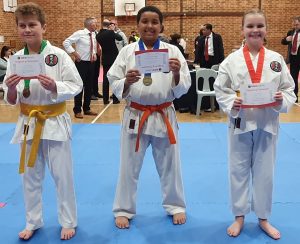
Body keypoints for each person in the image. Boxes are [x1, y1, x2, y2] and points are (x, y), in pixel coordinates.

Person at [2, 2, 82, 240]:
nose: (27, 30)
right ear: (17, 28)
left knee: (62, 176)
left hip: (54, 120)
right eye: (23, 26)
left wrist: (55, 85)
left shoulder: (58, 56)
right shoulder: (15, 59)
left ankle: (68, 221)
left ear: (43, 27)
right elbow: (11, 98)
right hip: (28, 122)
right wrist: (12, 88)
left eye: (32, 25)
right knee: (30, 177)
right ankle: (32, 221)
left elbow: (77, 85)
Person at [214, 9, 296, 240]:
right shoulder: (231, 60)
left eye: (259, 26)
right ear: (242, 30)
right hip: (240, 123)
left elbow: (289, 89)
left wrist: (283, 99)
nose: (255, 30)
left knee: (265, 173)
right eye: (250, 26)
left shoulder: (276, 60)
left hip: (268, 123)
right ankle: (239, 216)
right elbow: (221, 89)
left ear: (266, 30)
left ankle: (263, 218)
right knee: (238, 171)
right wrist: (233, 101)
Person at [107, 5, 191, 229]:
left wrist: (175, 73)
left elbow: (184, 87)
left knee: (171, 164)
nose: (149, 26)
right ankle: (123, 208)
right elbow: (113, 78)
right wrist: (126, 81)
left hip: (164, 112)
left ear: (162, 26)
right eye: (145, 21)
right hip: (136, 113)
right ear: (137, 25)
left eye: (155, 22)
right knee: (128, 165)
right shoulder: (127, 51)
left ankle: (175, 205)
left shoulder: (173, 52)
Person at [63, 17, 98, 118]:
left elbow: (92, 47)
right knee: (79, 86)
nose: (96, 25)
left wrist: (94, 54)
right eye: (95, 23)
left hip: (91, 63)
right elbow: (66, 42)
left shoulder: (94, 34)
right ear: (90, 24)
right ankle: (77, 110)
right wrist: (74, 53)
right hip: (81, 63)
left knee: (89, 86)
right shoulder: (80, 33)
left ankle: (87, 108)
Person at [96, 19, 123, 104]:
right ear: (109, 25)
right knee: (114, 77)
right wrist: (113, 30)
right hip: (114, 58)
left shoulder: (98, 35)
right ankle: (115, 99)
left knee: (105, 78)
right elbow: (120, 38)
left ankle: (105, 99)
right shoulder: (110, 32)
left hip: (105, 58)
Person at [281, 16, 300, 102]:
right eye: (294, 25)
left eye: (297, 24)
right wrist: (286, 39)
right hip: (294, 58)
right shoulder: (291, 32)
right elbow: (283, 42)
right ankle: (295, 96)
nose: (295, 26)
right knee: (293, 77)